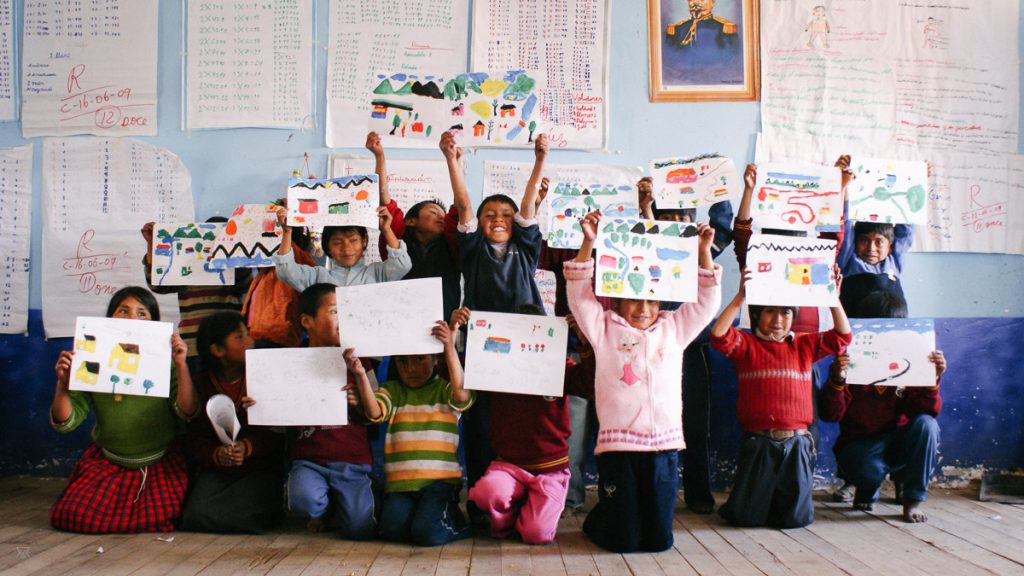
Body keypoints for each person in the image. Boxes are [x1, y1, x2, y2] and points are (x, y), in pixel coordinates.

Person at [564, 210, 722, 553]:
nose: (643, 308)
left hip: (663, 446)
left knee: (658, 542)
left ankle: (622, 522)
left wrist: (703, 251)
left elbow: (707, 302)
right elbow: (578, 295)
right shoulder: (603, 329)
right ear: (618, 298)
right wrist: (589, 242)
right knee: (623, 541)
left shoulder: (674, 328)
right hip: (619, 448)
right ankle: (600, 522)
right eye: (635, 299)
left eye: (651, 300)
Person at [446, 129, 547, 515]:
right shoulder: (472, 251)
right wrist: (452, 160)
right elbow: (465, 202)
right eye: (491, 215)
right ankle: (479, 499)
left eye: (505, 215)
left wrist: (539, 160)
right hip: (480, 346)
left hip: (524, 344)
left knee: (521, 420)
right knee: (479, 419)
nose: (498, 219)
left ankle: (519, 494)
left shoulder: (526, 249)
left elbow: (527, 209)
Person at [710, 266, 852, 529]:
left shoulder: (804, 345)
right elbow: (718, 336)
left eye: (785, 312)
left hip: (797, 443)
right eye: (770, 311)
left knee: (795, 520)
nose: (778, 319)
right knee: (745, 519)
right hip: (759, 441)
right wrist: (740, 297)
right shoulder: (747, 345)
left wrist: (834, 299)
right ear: (755, 315)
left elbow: (843, 336)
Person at [50, 287, 197, 534]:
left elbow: (187, 411)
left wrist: (181, 365)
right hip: (109, 462)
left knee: (172, 516)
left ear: (154, 323)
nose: (132, 319)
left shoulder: (166, 362)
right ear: (110, 318)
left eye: (142, 313)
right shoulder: (91, 360)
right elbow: (66, 422)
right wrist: (63, 384)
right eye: (123, 311)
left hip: (158, 463)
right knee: (73, 516)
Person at [463, 304, 596, 545]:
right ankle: (509, 518)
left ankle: (534, 508)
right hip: (508, 467)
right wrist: (453, 333)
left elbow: (588, 386)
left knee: (536, 535)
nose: (527, 342)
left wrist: (585, 343)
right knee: (487, 493)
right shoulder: (497, 365)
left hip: (550, 470)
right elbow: (459, 371)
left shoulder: (559, 365)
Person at [346, 316, 474, 546]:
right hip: (400, 486)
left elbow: (462, 396)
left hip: (439, 484)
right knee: (391, 531)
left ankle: (458, 522)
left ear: (435, 360)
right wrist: (360, 375)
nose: (411, 368)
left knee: (427, 534)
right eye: (402, 362)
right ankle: (423, 518)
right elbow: (374, 413)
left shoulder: (444, 390)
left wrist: (448, 347)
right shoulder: (393, 390)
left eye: (420, 359)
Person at [820, 292, 945, 523]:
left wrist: (932, 379)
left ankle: (913, 500)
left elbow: (927, 410)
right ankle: (866, 489)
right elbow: (830, 414)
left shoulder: (911, 362)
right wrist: (837, 380)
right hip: (860, 445)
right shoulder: (850, 362)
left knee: (927, 425)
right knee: (867, 468)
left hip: (898, 440)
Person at [651, 184, 735, 514]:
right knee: (654, 420)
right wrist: (645, 205)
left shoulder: (702, 251)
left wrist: (717, 184)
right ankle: (657, 490)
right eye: (666, 218)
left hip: (693, 350)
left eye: (683, 217)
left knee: (696, 424)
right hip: (654, 348)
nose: (675, 223)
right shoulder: (647, 250)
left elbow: (724, 225)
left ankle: (699, 493)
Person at [181, 312, 286, 533]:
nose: (250, 341)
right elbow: (195, 437)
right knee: (195, 515)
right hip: (219, 470)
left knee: (259, 503)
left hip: (259, 469)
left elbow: (279, 435)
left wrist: (247, 447)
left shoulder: (264, 379)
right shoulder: (201, 384)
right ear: (218, 350)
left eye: (247, 334)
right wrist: (216, 454)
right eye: (240, 337)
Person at [286, 284, 376, 538]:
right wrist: (264, 404)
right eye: (336, 311)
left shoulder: (360, 360)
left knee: (361, 529)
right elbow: (278, 416)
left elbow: (376, 414)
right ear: (307, 321)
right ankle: (323, 508)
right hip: (309, 460)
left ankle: (343, 505)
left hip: (352, 460)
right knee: (302, 501)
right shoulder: (288, 361)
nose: (344, 319)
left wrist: (359, 402)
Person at [367, 131, 462, 321]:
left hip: (441, 324)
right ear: (411, 221)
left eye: (443, 216)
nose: (441, 218)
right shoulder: (399, 238)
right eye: (433, 213)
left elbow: (460, 206)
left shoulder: (451, 244)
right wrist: (379, 156)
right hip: (401, 321)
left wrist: (456, 162)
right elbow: (384, 200)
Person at [141, 219, 251, 373]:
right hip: (193, 345)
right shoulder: (185, 267)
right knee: (197, 390)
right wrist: (153, 245)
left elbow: (244, 283)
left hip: (229, 345)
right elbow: (157, 284)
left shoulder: (234, 267)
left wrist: (235, 253)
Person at [273, 195, 411, 292]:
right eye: (338, 242)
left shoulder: (377, 273)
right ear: (327, 247)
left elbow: (402, 264)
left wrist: (386, 228)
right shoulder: (317, 276)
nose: (346, 248)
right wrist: (287, 232)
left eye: (353, 240)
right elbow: (285, 270)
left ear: (364, 242)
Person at [836, 212, 913, 318]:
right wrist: (846, 200)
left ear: (890, 247)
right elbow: (845, 225)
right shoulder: (849, 261)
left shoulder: (894, 262)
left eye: (879, 242)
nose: (871, 248)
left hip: (894, 325)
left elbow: (907, 229)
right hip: (857, 325)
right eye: (864, 241)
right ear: (855, 242)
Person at [663, 0, 743, 85]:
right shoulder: (677, 29)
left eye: (702, 0)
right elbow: (670, 60)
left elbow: (731, 60)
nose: (696, 3)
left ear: (712, 2)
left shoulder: (723, 28)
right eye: (691, 0)